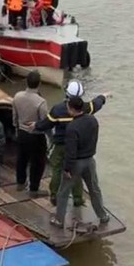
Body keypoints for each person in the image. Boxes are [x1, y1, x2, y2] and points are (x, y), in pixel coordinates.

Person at [37, 79, 110, 208]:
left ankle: (54, 195)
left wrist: (35, 125)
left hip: (60, 145)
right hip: (77, 148)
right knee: (76, 174)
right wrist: (103, 96)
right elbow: (96, 103)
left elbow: (46, 124)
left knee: (57, 170)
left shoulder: (57, 109)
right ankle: (78, 198)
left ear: (66, 93)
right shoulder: (86, 108)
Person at [51, 96, 110, 229]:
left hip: (76, 163)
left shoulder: (72, 127)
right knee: (94, 190)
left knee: (63, 192)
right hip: (90, 161)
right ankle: (103, 216)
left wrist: (66, 169)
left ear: (72, 109)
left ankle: (59, 220)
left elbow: (71, 152)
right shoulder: (93, 120)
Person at [12, 70, 48, 196]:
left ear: (26, 82)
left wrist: (17, 128)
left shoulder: (17, 96)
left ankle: (20, 183)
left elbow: (14, 117)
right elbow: (44, 122)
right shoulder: (41, 102)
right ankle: (34, 189)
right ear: (39, 84)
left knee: (21, 158)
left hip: (22, 132)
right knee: (37, 163)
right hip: (36, 135)